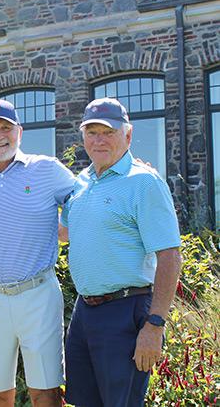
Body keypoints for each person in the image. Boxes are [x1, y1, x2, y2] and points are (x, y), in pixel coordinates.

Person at [61, 97, 182, 407]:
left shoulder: (143, 182)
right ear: (83, 137)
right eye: (92, 132)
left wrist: (154, 325)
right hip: (84, 313)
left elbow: (169, 255)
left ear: (127, 136)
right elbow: (64, 233)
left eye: (108, 132)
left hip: (126, 311)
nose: (99, 140)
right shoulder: (81, 184)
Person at [0, 99, 74, 407]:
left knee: (46, 391)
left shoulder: (47, 169)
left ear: (19, 132)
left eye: (5, 128)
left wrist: (64, 230)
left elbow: (85, 199)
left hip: (39, 294)